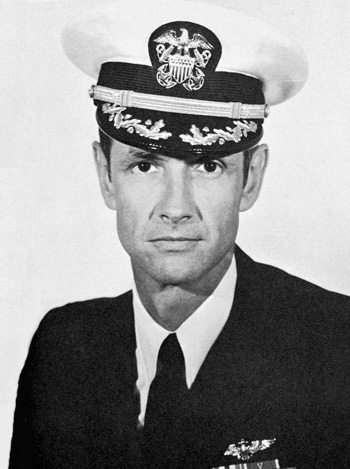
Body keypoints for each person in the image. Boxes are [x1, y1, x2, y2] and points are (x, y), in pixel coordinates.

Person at [9, 1, 350, 468]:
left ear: (250, 179)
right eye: (143, 165)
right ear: (106, 176)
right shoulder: (62, 350)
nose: (175, 208)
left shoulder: (336, 347)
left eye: (208, 166)